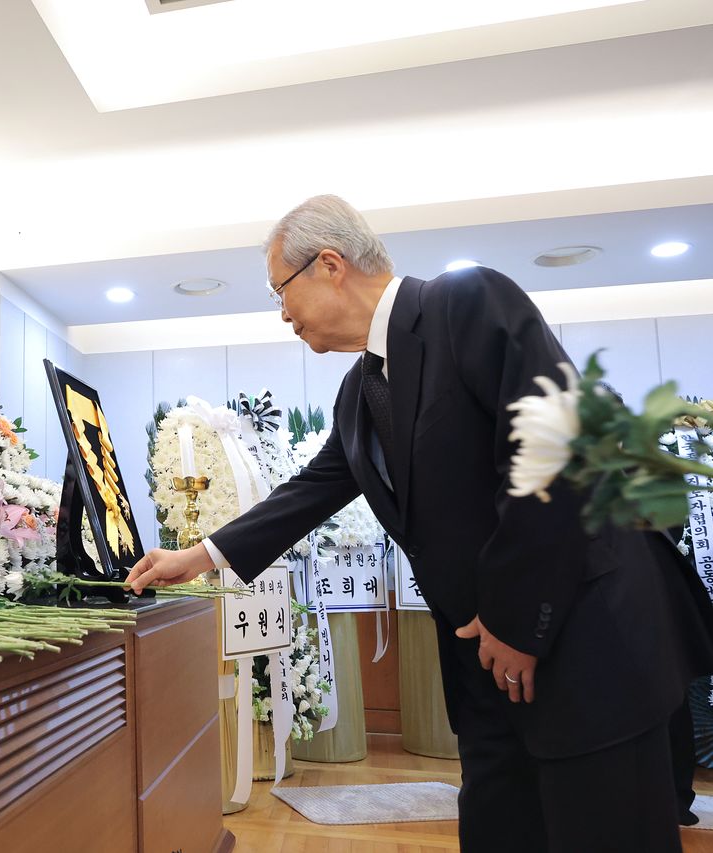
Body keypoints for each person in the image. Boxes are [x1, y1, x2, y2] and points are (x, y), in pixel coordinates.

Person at [126, 195, 713, 852]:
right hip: (486, 668)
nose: (281, 313)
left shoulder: (468, 301)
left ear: (329, 265)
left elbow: (555, 451)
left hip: (579, 641)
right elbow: (312, 490)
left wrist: (517, 622)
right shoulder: (357, 392)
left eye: (279, 291)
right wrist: (198, 556)